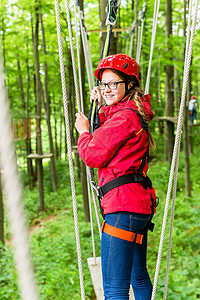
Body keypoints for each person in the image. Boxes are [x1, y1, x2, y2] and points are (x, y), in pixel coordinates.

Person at [75, 54, 158, 300]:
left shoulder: (124, 117)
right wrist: (101, 106)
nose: (107, 89)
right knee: (138, 276)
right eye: (104, 84)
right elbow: (111, 136)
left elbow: (92, 153)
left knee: (114, 291)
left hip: (122, 209)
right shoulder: (130, 112)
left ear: (129, 85)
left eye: (114, 84)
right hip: (136, 208)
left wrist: (83, 132)